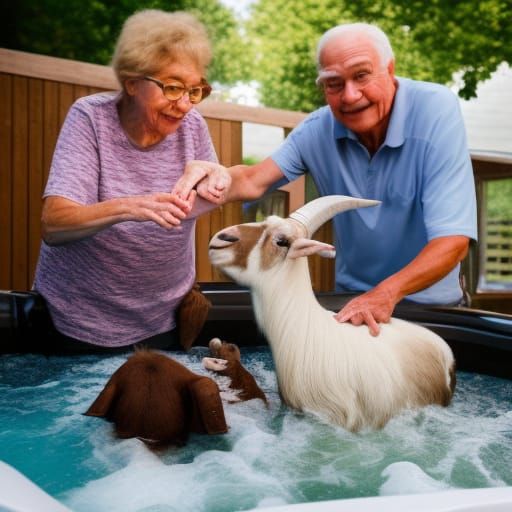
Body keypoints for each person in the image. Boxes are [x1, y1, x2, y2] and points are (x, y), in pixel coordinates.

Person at [173, 22, 477, 336]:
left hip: (433, 310)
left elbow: (453, 242)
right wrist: (217, 174)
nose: (350, 95)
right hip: (351, 304)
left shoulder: (436, 110)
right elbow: (251, 180)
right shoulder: (318, 129)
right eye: (333, 83)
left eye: (362, 75)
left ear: (390, 69)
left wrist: (385, 294)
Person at [33, 9, 217, 352]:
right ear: (132, 82)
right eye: (173, 87)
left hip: (163, 320)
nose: (184, 105)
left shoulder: (194, 127)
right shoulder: (91, 117)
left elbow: (215, 191)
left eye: (195, 91)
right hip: (77, 323)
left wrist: (219, 181)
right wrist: (131, 206)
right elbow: (54, 224)